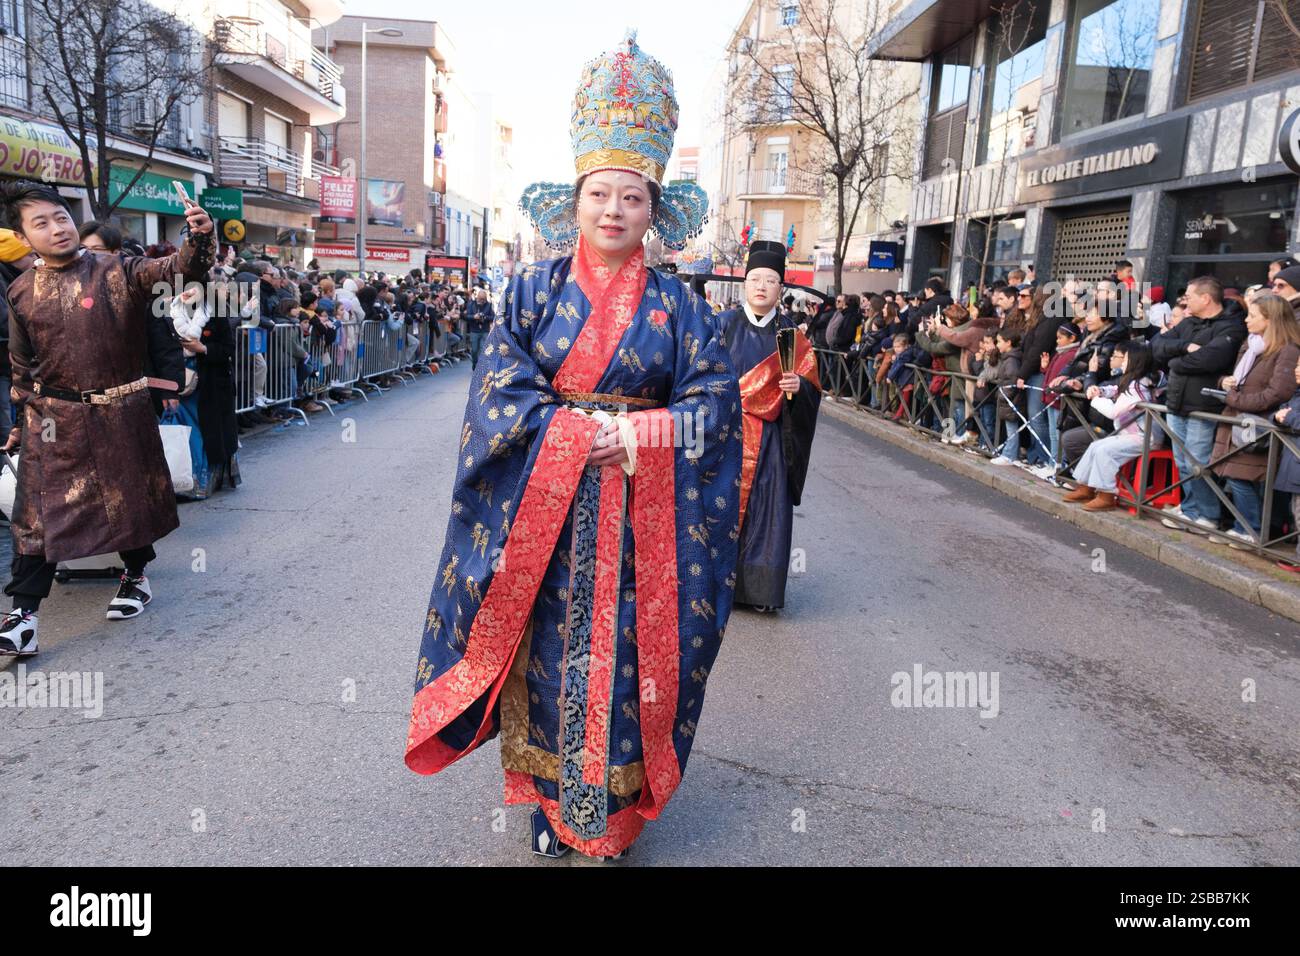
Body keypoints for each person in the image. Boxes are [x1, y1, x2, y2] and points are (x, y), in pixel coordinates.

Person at [404, 33, 741, 863]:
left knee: (628, 658)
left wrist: (638, 431)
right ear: (577, 198)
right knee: (550, 653)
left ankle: (614, 814)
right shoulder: (528, 290)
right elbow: (497, 392)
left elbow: (716, 403)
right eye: (601, 193)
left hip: (641, 518)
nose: (614, 210)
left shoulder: (683, 306)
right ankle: (554, 808)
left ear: (653, 209)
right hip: (545, 516)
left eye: (632, 197)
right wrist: (565, 433)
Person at [0, 181, 214, 657]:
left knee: (125, 505)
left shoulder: (119, 269)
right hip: (50, 420)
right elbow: (22, 367)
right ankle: (24, 617)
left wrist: (199, 237)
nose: (57, 228)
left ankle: (136, 575)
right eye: (41, 223)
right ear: (23, 236)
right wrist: (19, 423)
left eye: (61, 217)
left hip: (120, 414)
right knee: (35, 515)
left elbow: (179, 271)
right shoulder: (20, 292)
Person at [716, 240, 820, 613]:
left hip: (770, 439)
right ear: (745, 283)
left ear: (781, 288)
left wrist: (799, 389)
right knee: (717, 508)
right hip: (724, 435)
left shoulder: (792, 337)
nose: (762, 286)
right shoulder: (720, 327)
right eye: (756, 278)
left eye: (771, 280)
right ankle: (711, 586)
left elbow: (811, 388)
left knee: (767, 510)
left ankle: (758, 591)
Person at [1151, 276, 1248, 534]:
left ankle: (1208, 516)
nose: (1185, 301)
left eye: (1189, 296)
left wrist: (1174, 361)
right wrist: (1184, 346)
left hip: (1203, 407)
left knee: (1198, 462)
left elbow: (1210, 359)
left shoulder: (1231, 326)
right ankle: (1191, 509)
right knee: (1182, 461)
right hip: (1176, 402)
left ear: (1205, 298)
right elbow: (1157, 345)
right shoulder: (1189, 323)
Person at [1206, 293, 1300, 548]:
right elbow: (1239, 381)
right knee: (1238, 477)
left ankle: (1250, 530)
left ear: (1270, 320)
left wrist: (1233, 399)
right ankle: (1246, 528)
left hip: (1258, 426)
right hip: (1237, 421)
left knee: (1242, 478)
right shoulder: (1252, 345)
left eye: (1253, 315)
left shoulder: (1288, 350)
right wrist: (1224, 383)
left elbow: (1278, 393)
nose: (1246, 320)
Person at [1061, 341, 1158, 510]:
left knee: (1104, 451)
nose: (1124, 362)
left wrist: (1096, 399)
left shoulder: (1137, 387)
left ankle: (1106, 495)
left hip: (1144, 436)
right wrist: (1101, 391)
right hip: (1131, 434)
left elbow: (1114, 411)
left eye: (1126, 359)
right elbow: (1115, 389)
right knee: (1095, 446)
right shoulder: (1132, 381)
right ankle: (1086, 487)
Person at [464, 286, 494, 368]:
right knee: (474, 350)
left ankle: (480, 367)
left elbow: (493, 317)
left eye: (483, 299)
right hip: (474, 330)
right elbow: (466, 316)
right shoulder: (471, 304)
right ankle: (474, 363)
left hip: (484, 330)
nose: (481, 301)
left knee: (482, 350)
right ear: (477, 297)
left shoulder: (489, 305)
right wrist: (474, 317)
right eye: (480, 299)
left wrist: (484, 317)